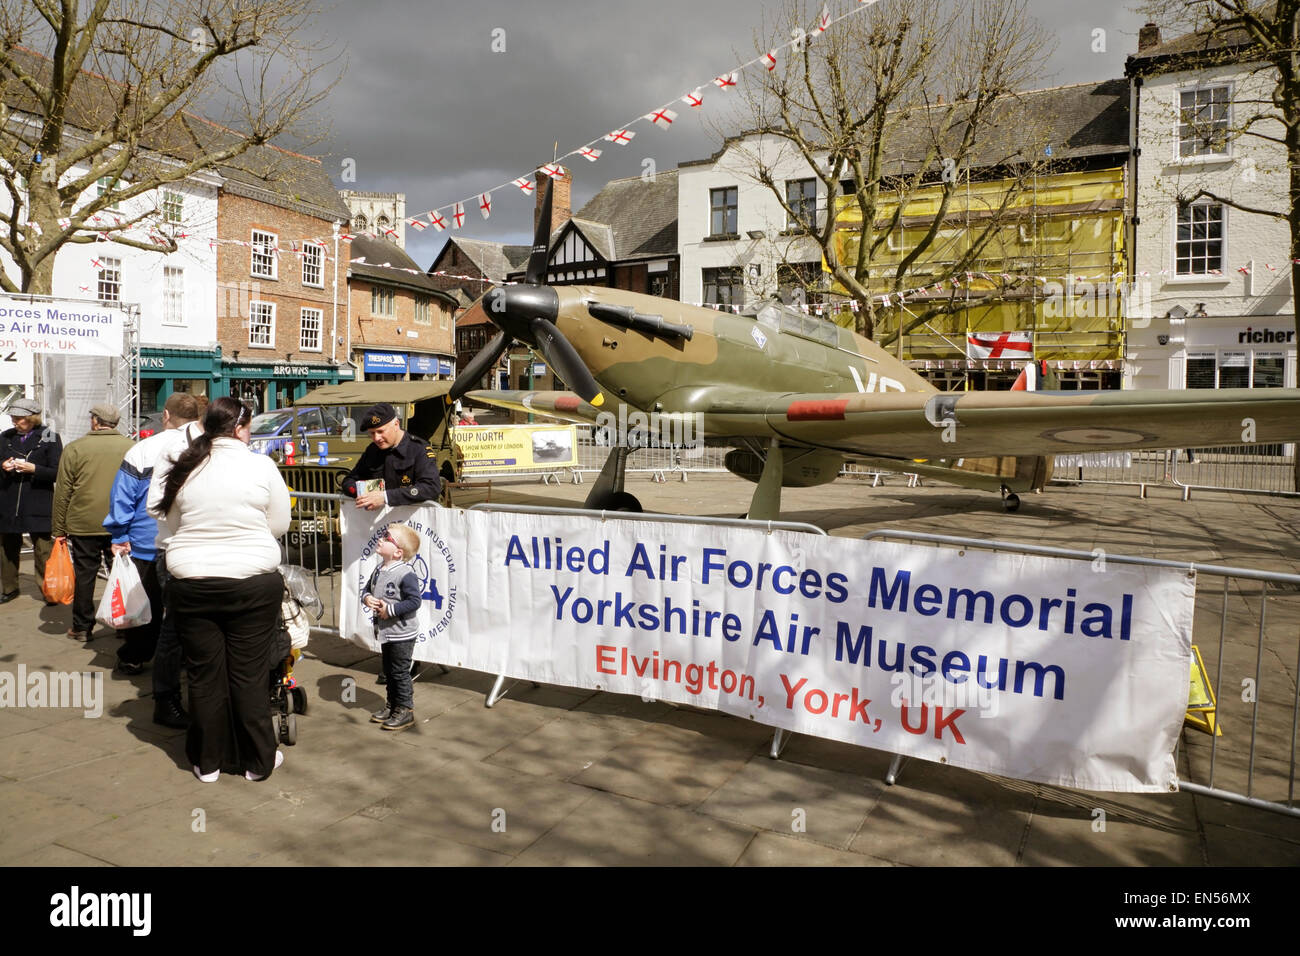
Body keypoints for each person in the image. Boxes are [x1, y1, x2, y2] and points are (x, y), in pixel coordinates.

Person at [150, 397, 290, 782]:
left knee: (204, 675)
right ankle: (258, 761)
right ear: (242, 428)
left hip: (192, 580)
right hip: (252, 582)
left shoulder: (185, 463)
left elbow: (167, 518)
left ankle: (207, 762)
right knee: (249, 675)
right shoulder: (260, 465)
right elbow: (279, 522)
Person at [102, 392, 202, 723]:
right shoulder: (207, 446)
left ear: (166, 416)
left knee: (146, 610)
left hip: (147, 543)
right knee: (181, 614)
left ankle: (135, 657)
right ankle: (184, 660)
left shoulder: (143, 448)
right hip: (192, 544)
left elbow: (124, 496)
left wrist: (119, 535)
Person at [51, 404, 133, 641]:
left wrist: (58, 529)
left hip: (83, 522)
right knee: (120, 574)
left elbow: (63, 492)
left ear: (95, 421)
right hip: (120, 522)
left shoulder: (75, 448)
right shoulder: (131, 447)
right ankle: (123, 624)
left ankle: (82, 627)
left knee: (85, 575)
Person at [0, 398, 62, 604]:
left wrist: (35, 469)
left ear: (31, 418)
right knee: (7, 548)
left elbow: (57, 472)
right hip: (9, 501)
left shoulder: (50, 438)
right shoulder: (5, 437)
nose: (14, 422)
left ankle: (48, 590)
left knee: (43, 548)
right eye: (13, 418)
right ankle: (9, 587)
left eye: (19, 418)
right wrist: (4, 466)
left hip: (38, 500)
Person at [362, 523, 423, 732]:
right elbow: (366, 589)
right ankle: (392, 705)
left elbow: (415, 601)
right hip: (385, 631)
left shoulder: (405, 574)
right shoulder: (379, 569)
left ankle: (405, 709)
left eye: (387, 537)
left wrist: (392, 610)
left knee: (399, 672)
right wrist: (367, 598)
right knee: (388, 670)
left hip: (402, 633)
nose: (381, 538)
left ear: (398, 552)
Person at [341, 402, 441, 511]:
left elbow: (431, 488)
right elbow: (349, 481)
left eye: (380, 431)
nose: (376, 438)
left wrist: (385, 497)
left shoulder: (419, 450)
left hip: (412, 521)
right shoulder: (373, 450)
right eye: (372, 433)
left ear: (396, 424)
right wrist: (363, 493)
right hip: (379, 523)